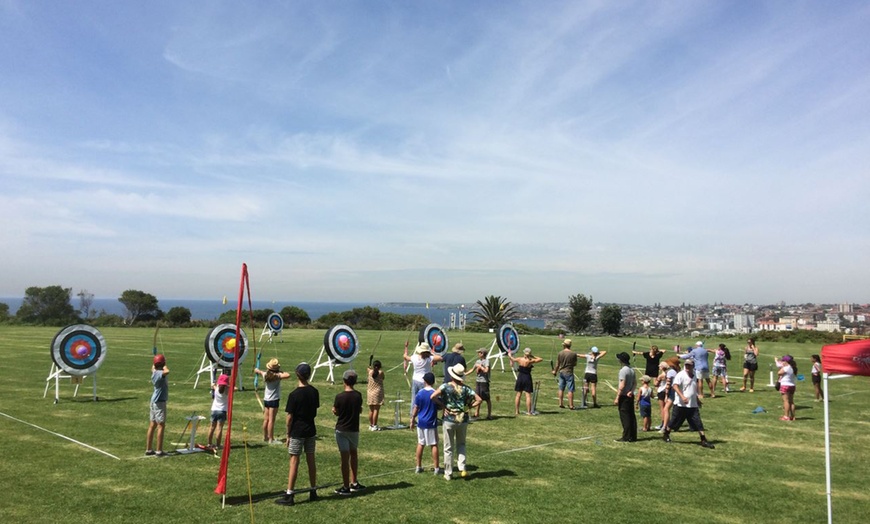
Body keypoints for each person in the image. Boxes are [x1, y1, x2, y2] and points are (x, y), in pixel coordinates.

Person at [276, 363, 320, 507]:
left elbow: (289, 417)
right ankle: (313, 490)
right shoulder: (314, 391)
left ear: (297, 375)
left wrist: (288, 434)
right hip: (310, 429)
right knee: (311, 459)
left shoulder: (294, 395)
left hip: (297, 431)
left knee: (294, 461)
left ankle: (290, 494)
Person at [431, 364, 482, 480]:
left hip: (449, 419)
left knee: (448, 447)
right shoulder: (466, 388)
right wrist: (468, 407)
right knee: (461, 444)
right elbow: (479, 399)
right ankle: (462, 468)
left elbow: (433, 396)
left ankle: (448, 473)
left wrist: (444, 406)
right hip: (462, 420)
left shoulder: (445, 386)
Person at [662, 358, 715, 449]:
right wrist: (682, 396)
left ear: (693, 366)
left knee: (698, 422)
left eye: (689, 365)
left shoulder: (694, 375)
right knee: (674, 422)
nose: (687, 366)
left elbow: (694, 388)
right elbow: (675, 386)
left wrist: (697, 400)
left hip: (692, 404)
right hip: (680, 404)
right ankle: (666, 434)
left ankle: (703, 440)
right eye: (686, 365)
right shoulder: (680, 375)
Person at [332, 370, 365, 495]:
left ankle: (346, 486)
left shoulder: (339, 397)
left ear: (344, 381)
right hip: (354, 429)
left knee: (344, 458)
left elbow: (337, 411)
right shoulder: (358, 395)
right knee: (354, 454)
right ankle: (354, 482)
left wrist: (335, 411)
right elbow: (359, 409)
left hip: (342, 430)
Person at [410, 372, 441, 475]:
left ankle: (418, 466)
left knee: (420, 444)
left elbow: (416, 408)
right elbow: (439, 405)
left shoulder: (420, 393)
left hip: (421, 422)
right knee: (434, 444)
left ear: (425, 381)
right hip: (431, 422)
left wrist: (412, 419)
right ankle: (436, 468)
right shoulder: (435, 393)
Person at [254, 358, 292, 443]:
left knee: (266, 419)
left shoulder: (265, 374)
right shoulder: (277, 376)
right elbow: (288, 375)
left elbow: (260, 372)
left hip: (266, 400)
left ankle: (265, 437)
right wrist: (280, 372)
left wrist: (257, 370)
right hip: (274, 400)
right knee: (271, 420)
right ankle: (271, 439)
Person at [403, 342, 443, 416]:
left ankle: (413, 415)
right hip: (425, 382)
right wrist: (431, 352)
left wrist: (406, 347)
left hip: (415, 380)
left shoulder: (414, 357)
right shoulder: (429, 358)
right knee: (426, 398)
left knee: (414, 398)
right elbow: (440, 358)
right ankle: (424, 414)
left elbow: (405, 356)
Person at [146, 354, 170, 456]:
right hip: (159, 402)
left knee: (152, 425)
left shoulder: (154, 372)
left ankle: (149, 449)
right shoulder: (160, 373)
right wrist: (165, 366)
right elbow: (167, 371)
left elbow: (153, 367)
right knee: (161, 425)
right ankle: (159, 450)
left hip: (153, 401)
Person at [509, 347, 543, 415]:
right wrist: (532, 356)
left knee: (518, 395)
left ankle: (516, 411)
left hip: (520, 377)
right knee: (528, 395)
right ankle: (529, 412)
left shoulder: (519, 359)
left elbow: (512, 359)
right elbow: (540, 359)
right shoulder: (530, 361)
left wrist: (509, 355)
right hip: (527, 377)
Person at [613, 352, 637, 442]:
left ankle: (626, 436)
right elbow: (635, 383)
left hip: (624, 396)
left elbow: (622, 385)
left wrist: (617, 397)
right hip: (630, 395)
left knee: (625, 416)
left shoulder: (623, 370)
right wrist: (632, 391)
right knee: (631, 416)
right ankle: (633, 436)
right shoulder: (631, 369)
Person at [553, 338, 580, 410]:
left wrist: (555, 371)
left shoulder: (560, 353)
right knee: (570, 389)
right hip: (569, 372)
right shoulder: (573, 354)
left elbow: (557, 364)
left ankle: (560, 403)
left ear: (564, 345)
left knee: (561, 388)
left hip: (561, 372)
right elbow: (575, 364)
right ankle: (571, 405)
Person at [466, 349, 492, 419]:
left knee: (487, 399)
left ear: (483, 353)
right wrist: (465, 374)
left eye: (479, 353)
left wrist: (480, 367)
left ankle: (489, 415)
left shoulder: (487, 361)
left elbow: (486, 370)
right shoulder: (477, 361)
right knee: (478, 398)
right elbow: (472, 369)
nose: (478, 354)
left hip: (484, 382)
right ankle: (477, 413)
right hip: (478, 381)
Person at [207, 373, 230, 449]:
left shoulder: (216, 388)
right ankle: (218, 444)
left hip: (214, 410)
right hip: (222, 411)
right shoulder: (227, 390)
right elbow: (235, 388)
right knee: (219, 428)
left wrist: (214, 384)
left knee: (212, 427)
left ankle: (209, 443)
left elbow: (213, 385)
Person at [659, 357, 681, 433]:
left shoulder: (670, 372)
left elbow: (668, 384)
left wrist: (666, 395)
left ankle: (665, 427)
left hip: (673, 391)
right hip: (678, 391)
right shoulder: (677, 371)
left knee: (666, 409)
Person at [775, 355, 797, 421]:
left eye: (783, 361)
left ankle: (786, 416)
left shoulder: (786, 367)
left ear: (786, 361)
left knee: (786, 401)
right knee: (791, 402)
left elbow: (779, 373)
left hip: (785, 385)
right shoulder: (793, 367)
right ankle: (792, 416)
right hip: (792, 385)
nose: (782, 362)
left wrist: (782, 367)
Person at [367, 359, 385, 431]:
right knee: (376, 410)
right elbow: (383, 378)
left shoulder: (370, 372)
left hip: (370, 392)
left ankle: (371, 425)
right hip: (377, 393)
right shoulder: (381, 373)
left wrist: (369, 367)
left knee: (371, 410)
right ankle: (374, 425)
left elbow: (368, 369)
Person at [653, 362, 669, 431]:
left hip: (661, 392)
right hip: (666, 392)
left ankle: (663, 423)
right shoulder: (668, 374)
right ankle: (667, 423)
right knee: (667, 408)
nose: (659, 367)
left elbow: (656, 384)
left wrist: (654, 378)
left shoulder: (661, 375)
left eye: (660, 366)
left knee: (662, 409)